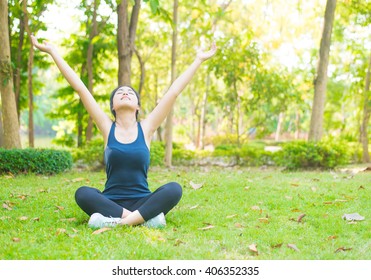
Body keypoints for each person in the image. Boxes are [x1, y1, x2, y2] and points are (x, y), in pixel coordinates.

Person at [31, 35, 217, 229]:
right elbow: (80, 88)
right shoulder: (106, 127)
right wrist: (53, 52)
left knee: (174, 189)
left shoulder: (146, 127)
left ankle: (117, 223)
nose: (125, 93)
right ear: (113, 106)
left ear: (137, 106)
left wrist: (199, 60)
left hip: (143, 201)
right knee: (82, 193)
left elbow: (174, 91)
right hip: (110, 202)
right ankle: (142, 220)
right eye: (120, 93)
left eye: (130, 92)